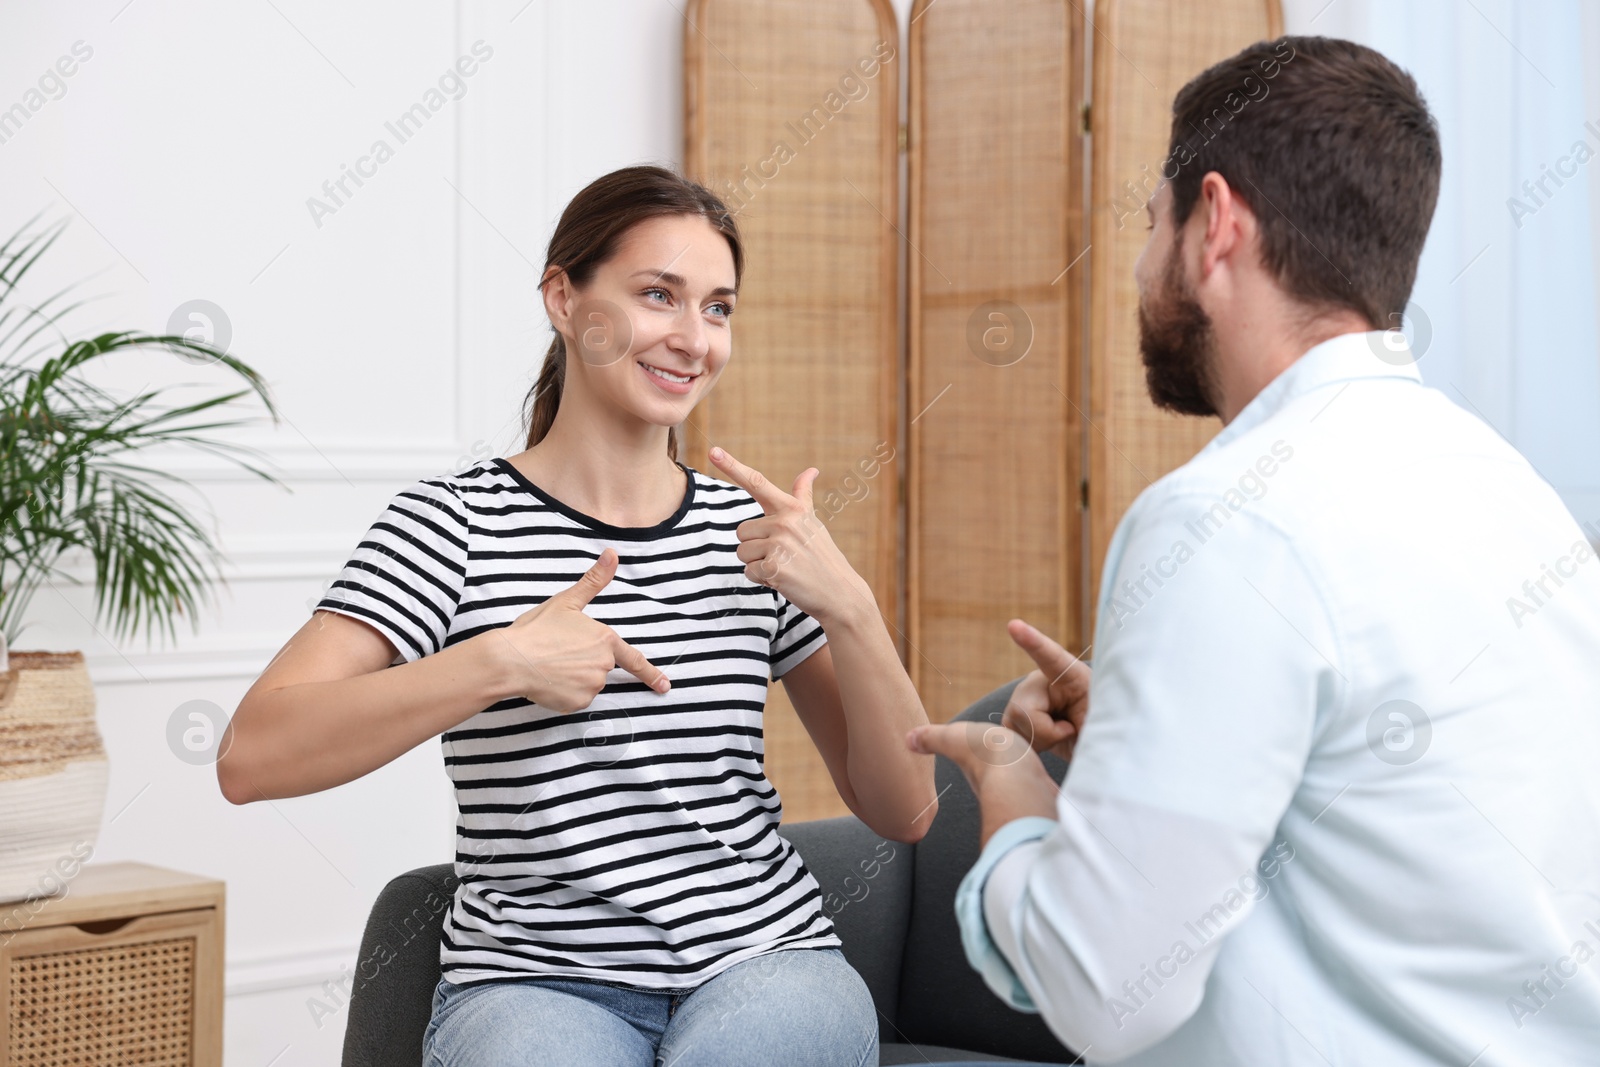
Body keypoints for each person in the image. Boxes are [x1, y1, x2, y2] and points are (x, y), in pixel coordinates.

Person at [909, 35, 1600, 1066]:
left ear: (1215, 225)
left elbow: (1105, 991)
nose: (1142, 264)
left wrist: (1012, 787)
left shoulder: (1221, 518)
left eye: (1151, 222)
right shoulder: (1517, 493)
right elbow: (1388, 819)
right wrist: (1145, 736)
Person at [220, 164, 937, 1067]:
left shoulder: (752, 537)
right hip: (531, 986)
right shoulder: (453, 524)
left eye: (717, 308)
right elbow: (251, 756)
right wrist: (498, 662)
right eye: (657, 295)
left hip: (766, 962)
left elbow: (905, 811)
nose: (692, 338)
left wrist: (854, 609)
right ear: (565, 298)